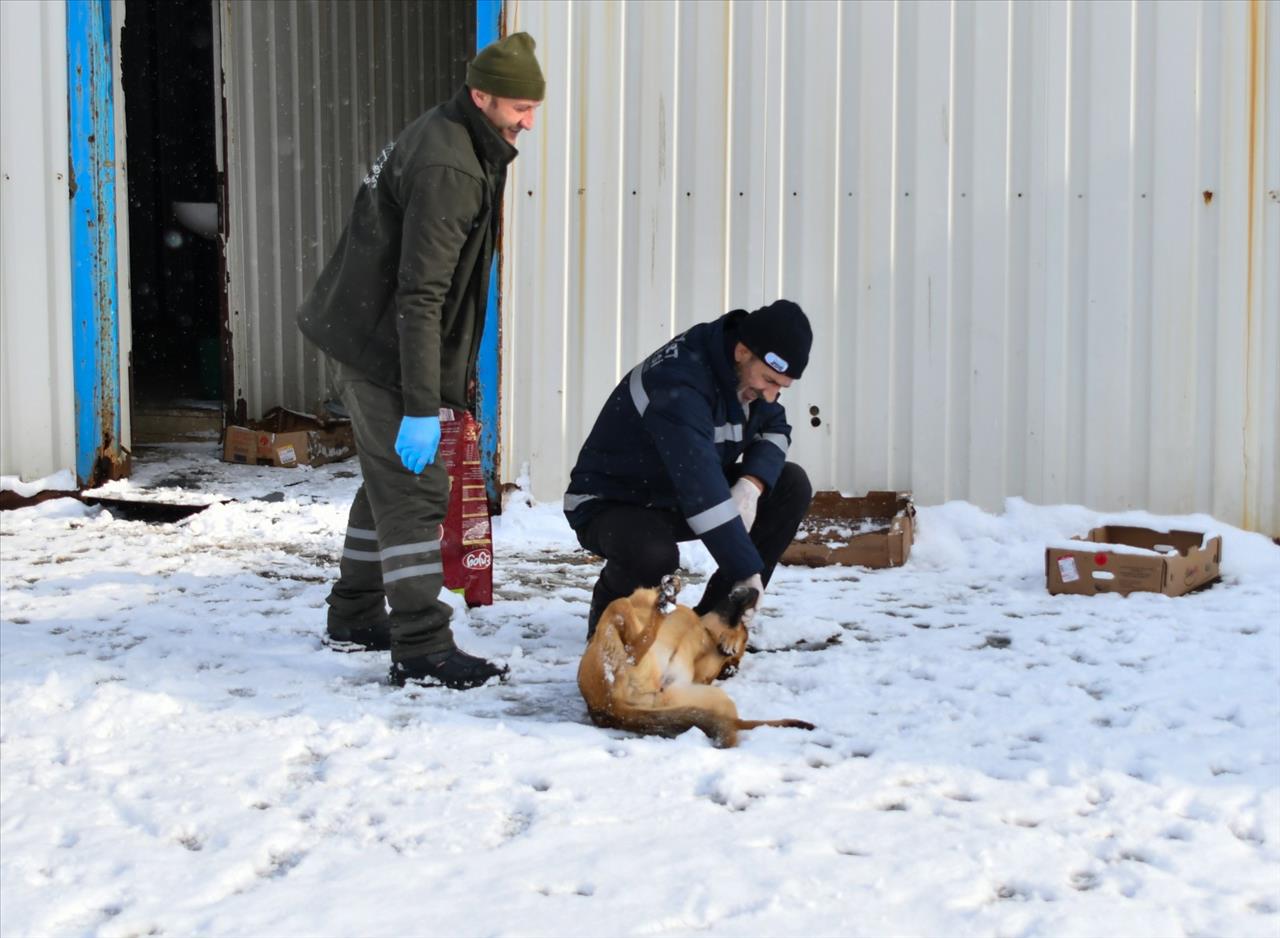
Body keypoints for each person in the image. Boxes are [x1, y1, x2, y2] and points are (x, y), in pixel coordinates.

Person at [297, 33, 545, 689]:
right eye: (519, 107)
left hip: (364, 333)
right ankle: (421, 646)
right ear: (480, 95)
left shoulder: (456, 139)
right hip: (381, 348)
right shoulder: (451, 170)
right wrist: (418, 406)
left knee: (385, 480)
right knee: (413, 491)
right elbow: (421, 294)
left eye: (534, 107)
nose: (528, 121)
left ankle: (353, 613)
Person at [564, 300, 815, 637]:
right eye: (769, 381)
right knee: (652, 554)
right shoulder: (680, 383)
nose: (771, 396)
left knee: (790, 484)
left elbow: (776, 429)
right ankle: (610, 621)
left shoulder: (745, 379)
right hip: (611, 500)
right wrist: (745, 570)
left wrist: (751, 485)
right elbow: (701, 489)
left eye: (780, 388)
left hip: (671, 494)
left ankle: (717, 623)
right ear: (742, 352)